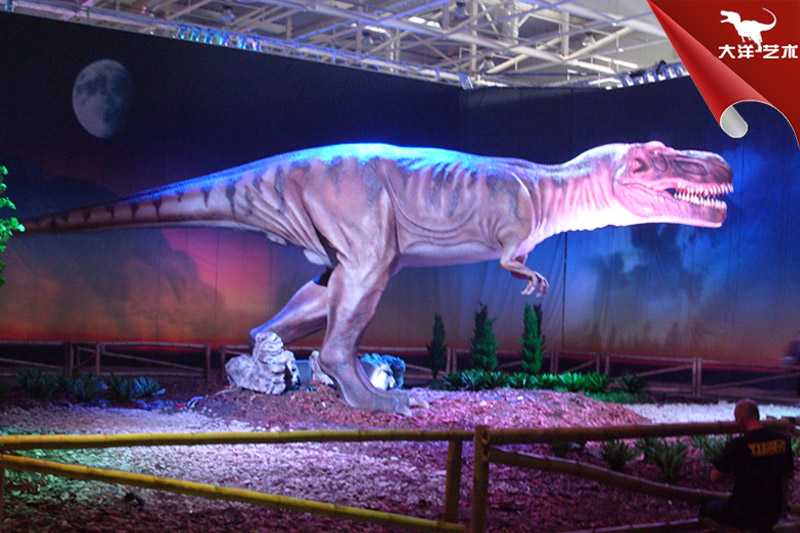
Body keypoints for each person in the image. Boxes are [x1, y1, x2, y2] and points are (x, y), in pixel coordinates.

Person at [699, 399, 794, 531]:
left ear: (741, 420)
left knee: (706, 510)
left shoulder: (738, 444)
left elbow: (715, 477)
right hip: (773, 511)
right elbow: (788, 474)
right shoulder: (782, 440)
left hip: (743, 512)